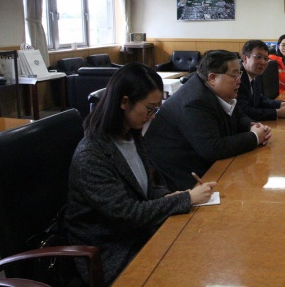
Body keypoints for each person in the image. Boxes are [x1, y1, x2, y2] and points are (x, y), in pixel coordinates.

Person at [66, 63, 216, 286]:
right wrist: (184, 199)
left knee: (204, 244)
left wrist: (170, 195)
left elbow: (145, 189)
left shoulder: (132, 135)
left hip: (136, 231)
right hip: (110, 248)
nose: (152, 116)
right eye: (149, 108)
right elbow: (127, 213)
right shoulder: (92, 154)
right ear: (124, 102)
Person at [145, 50, 271, 191]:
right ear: (212, 78)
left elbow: (238, 115)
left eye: (239, 74)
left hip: (202, 163)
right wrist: (254, 137)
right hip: (183, 174)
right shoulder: (195, 101)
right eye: (234, 75)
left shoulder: (215, 90)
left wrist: (253, 126)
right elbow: (212, 148)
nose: (239, 80)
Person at [237, 39, 285, 121]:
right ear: (245, 58)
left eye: (266, 58)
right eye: (258, 57)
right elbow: (243, 111)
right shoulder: (237, 78)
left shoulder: (254, 74)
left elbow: (260, 100)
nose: (263, 62)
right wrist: (277, 113)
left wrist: (282, 104)